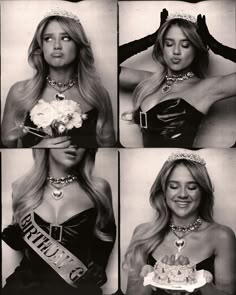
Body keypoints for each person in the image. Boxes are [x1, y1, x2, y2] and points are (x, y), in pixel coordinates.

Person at [1, 148, 116, 295]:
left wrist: (100, 264)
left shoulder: (98, 189)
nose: (73, 145)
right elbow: (20, 245)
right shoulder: (22, 187)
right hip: (25, 287)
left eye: (81, 141)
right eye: (65, 137)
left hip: (76, 288)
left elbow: (107, 233)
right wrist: (14, 236)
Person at [123, 152, 236, 295]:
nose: (182, 194)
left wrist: (201, 283)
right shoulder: (143, 233)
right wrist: (150, 278)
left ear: (202, 191)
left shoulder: (222, 236)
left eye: (192, 187)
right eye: (174, 186)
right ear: (163, 191)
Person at [119, 10, 236, 148]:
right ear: (162, 48)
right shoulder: (150, 81)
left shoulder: (206, 88)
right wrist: (151, 39)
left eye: (185, 45)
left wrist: (216, 46)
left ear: (196, 49)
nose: (176, 51)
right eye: (168, 44)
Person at [1, 9, 115, 148]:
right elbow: (6, 156)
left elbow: (110, 151)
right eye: (48, 38)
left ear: (78, 46)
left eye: (66, 38)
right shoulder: (19, 92)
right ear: (41, 47)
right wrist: (38, 150)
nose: (56, 46)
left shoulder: (98, 95)